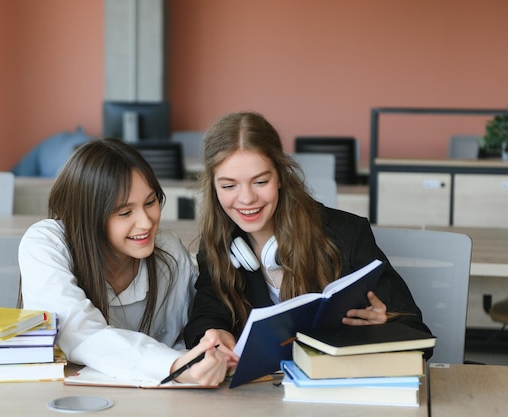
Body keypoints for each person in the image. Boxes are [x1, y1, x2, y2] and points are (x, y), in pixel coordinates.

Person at [183, 112, 433, 357]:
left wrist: (383, 328)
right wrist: (213, 336)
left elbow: (417, 334)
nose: (247, 198)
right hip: (261, 394)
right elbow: (202, 321)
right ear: (214, 187)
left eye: (260, 182)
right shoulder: (219, 244)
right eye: (228, 185)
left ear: (280, 177)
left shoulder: (347, 236)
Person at [19, 138, 236, 385]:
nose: (146, 223)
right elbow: (74, 330)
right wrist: (174, 367)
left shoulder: (168, 252)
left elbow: (192, 328)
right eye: (124, 213)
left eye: (150, 202)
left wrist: (211, 345)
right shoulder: (46, 242)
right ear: (87, 216)